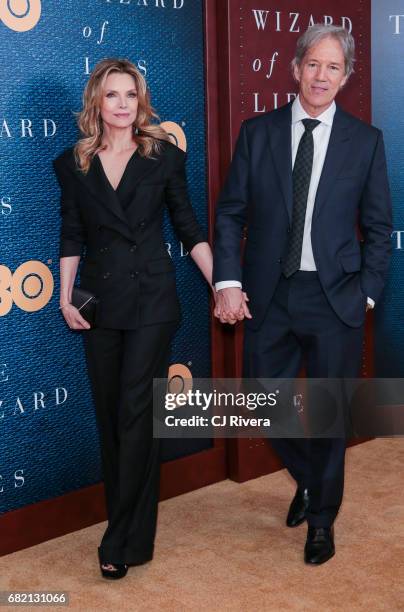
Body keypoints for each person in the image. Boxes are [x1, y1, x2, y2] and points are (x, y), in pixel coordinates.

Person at [213, 25, 392, 564]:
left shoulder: (366, 141)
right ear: (295, 68)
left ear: (346, 76)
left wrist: (366, 293)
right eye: (313, 64)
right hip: (270, 293)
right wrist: (228, 281)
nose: (321, 75)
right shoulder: (258, 132)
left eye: (333, 67)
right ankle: (313, 479)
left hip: (336, 296)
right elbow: (230, 214)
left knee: (329, 412)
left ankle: (321, 520)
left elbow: (380, 228)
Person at [53, 58, 214, 579]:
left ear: (139, 101)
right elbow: (72, 232)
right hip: (98, 303)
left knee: (136, 414)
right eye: (111, 95)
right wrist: (64, 297)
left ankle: (120, 537)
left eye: (130, 95)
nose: (122, 105)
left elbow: (187, 225)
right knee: (110, 417)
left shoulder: (163, 156)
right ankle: (128, 530)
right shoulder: (73, 163)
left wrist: (223, 285)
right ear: (96, 102)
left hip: (151, 304)